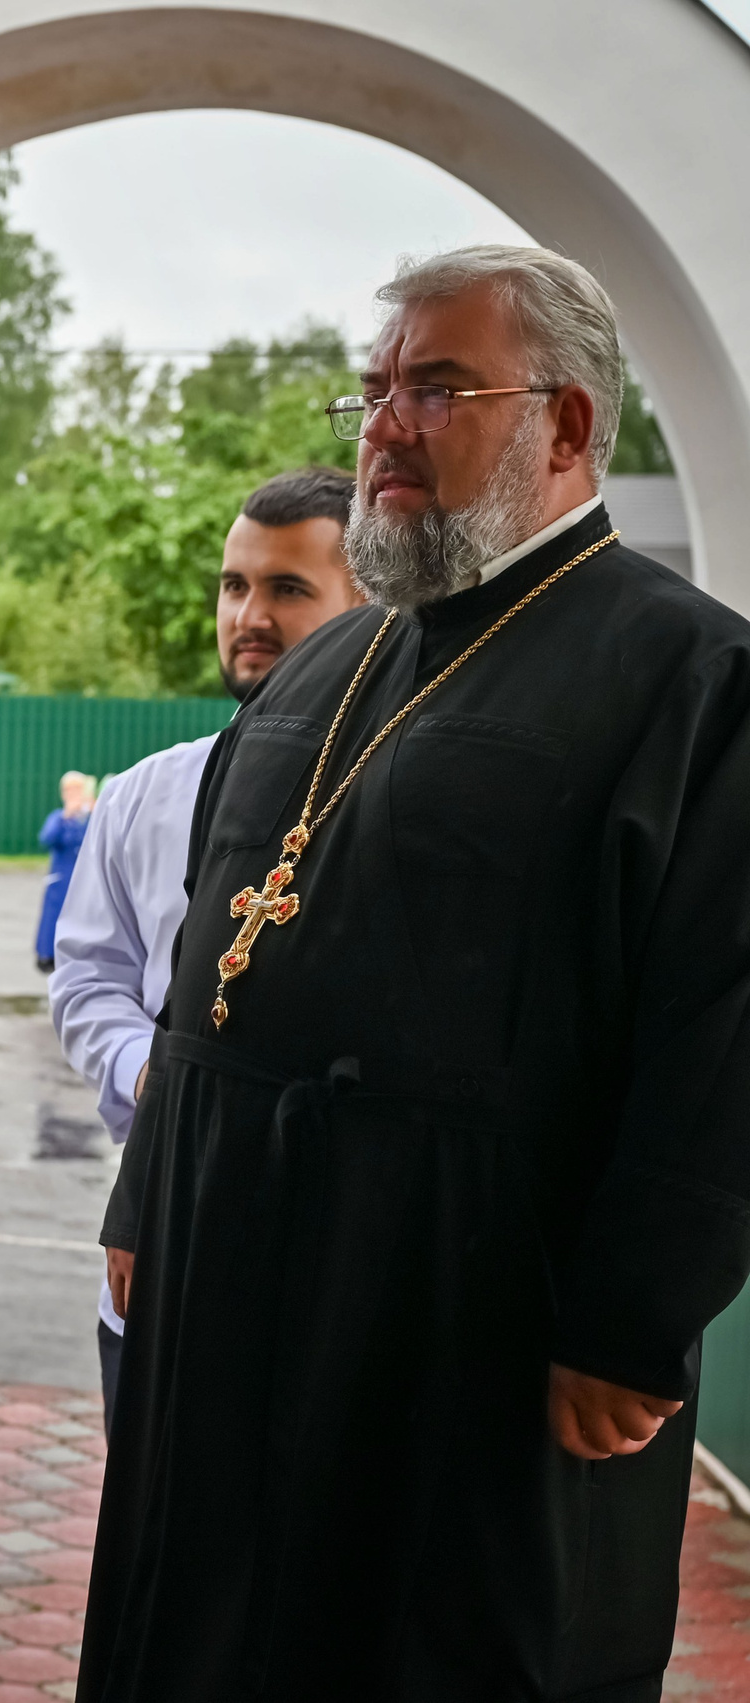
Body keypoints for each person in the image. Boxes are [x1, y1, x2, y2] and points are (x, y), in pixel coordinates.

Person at [80, 246, 750, 1701]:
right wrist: (148, 1193)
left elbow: (726, 1028)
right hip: (231, 1272)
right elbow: (211, 944)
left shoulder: (691, 675)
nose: (383, 422)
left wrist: (634, 1321)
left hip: (471, 1314)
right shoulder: (324, 666)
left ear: (567, 427)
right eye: (373, 388)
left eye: (436, 387)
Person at [47, 465, 362, 1412]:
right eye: (235, 586)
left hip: (340, 1275)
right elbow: (88, 980)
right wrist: (153, 1070)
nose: (248, 615)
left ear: (370, 604)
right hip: (163, 1240)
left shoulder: (407, 801)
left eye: (288, 589)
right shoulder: (146, 794)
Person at [34, 770, 96, 971]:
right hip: (61, 877)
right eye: (69, 789)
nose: (73, 793)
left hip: (85, 879)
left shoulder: (91, 815)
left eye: (77, 789)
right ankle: (47, 956)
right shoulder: (58, 817)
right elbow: (46, 839)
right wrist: (67, 815)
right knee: (54, 917)